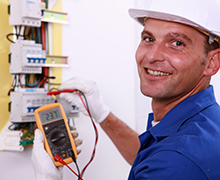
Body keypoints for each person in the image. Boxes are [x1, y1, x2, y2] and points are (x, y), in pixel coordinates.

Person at [32, 0, 220, 179]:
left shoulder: (176, 160)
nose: (152, 56)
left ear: (212, 62)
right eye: (149, 39)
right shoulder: (205, 121)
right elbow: (150, 158)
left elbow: (167, 162)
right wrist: (102, 114)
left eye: (177, 43)